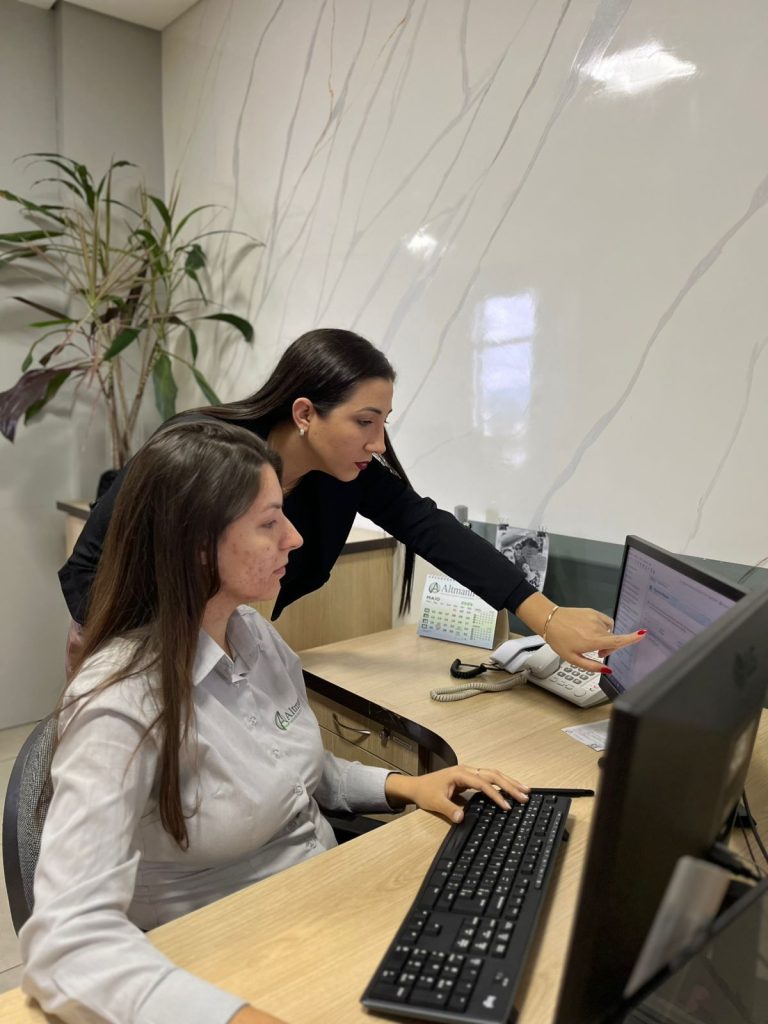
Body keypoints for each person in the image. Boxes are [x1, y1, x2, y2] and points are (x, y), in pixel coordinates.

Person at [22, 421, 529, 1024]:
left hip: (315, 907)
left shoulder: (251, 635)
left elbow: (294, 769)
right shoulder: (121, 702)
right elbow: (66, 945)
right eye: (269, 523)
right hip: (222, 957)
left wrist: (405, 786)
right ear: (197, 545)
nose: (294, 537)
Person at [60, 328, 643, 672]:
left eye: (384, 421)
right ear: (305, 413)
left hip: (222, 654)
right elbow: (85, 570)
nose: (379, 442)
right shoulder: (197, 452)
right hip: (140, 649)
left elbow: (428, 526)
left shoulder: (346, 472)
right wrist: (147, 656)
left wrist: (546, 615)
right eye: (365, 421)